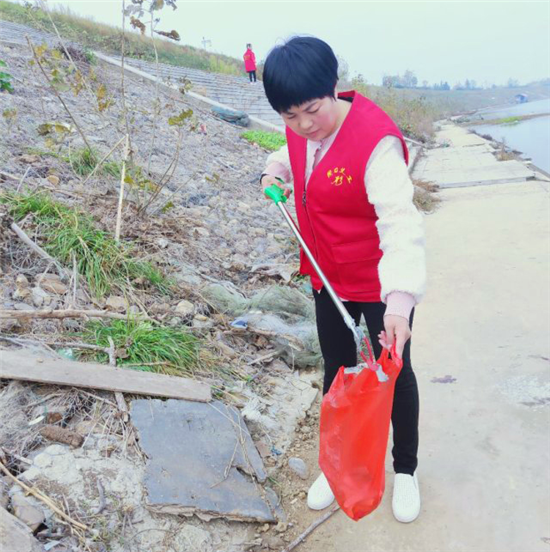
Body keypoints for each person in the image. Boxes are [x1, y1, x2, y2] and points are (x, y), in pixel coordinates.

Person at [259, 36, 426, 523]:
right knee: (337, 369)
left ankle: (406, 469)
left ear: (333, 87)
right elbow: (288, 150)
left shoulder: (377, 143)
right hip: (326, 278)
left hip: (377, 285)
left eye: (312, 111)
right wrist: (274, 172)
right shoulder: (299, 124)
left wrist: (399, 304)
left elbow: (401, 224)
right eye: (290, 115)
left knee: (393, 374)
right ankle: (340, 468)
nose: (304, 125)